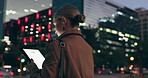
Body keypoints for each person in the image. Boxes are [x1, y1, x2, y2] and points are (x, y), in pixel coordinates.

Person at [28, 5, 94, 78]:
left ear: (63, 21)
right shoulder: (88, 47)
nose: (55, 30)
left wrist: (33, 69)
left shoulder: (57, 45)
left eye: (55, 24)